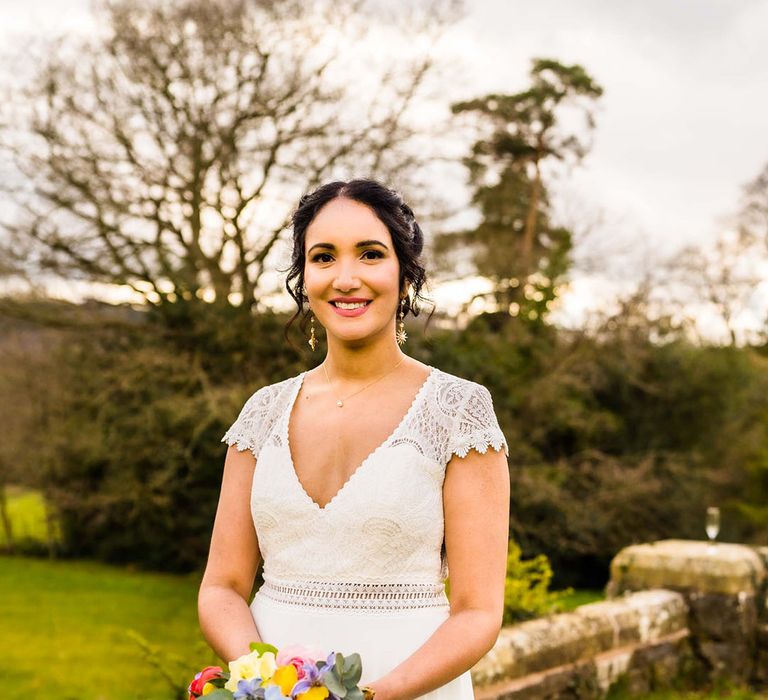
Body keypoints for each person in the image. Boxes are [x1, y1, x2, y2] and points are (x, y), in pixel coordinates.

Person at [198, 179, 510, 700]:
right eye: (323, 257)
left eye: (370, 254)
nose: (346, 278)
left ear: (405, 275)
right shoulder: (262, 413)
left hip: (412, 688)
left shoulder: (458, 412)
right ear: (304, 279)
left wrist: (374, 697)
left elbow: (478, 612)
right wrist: (265, 682)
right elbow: (222, 588)